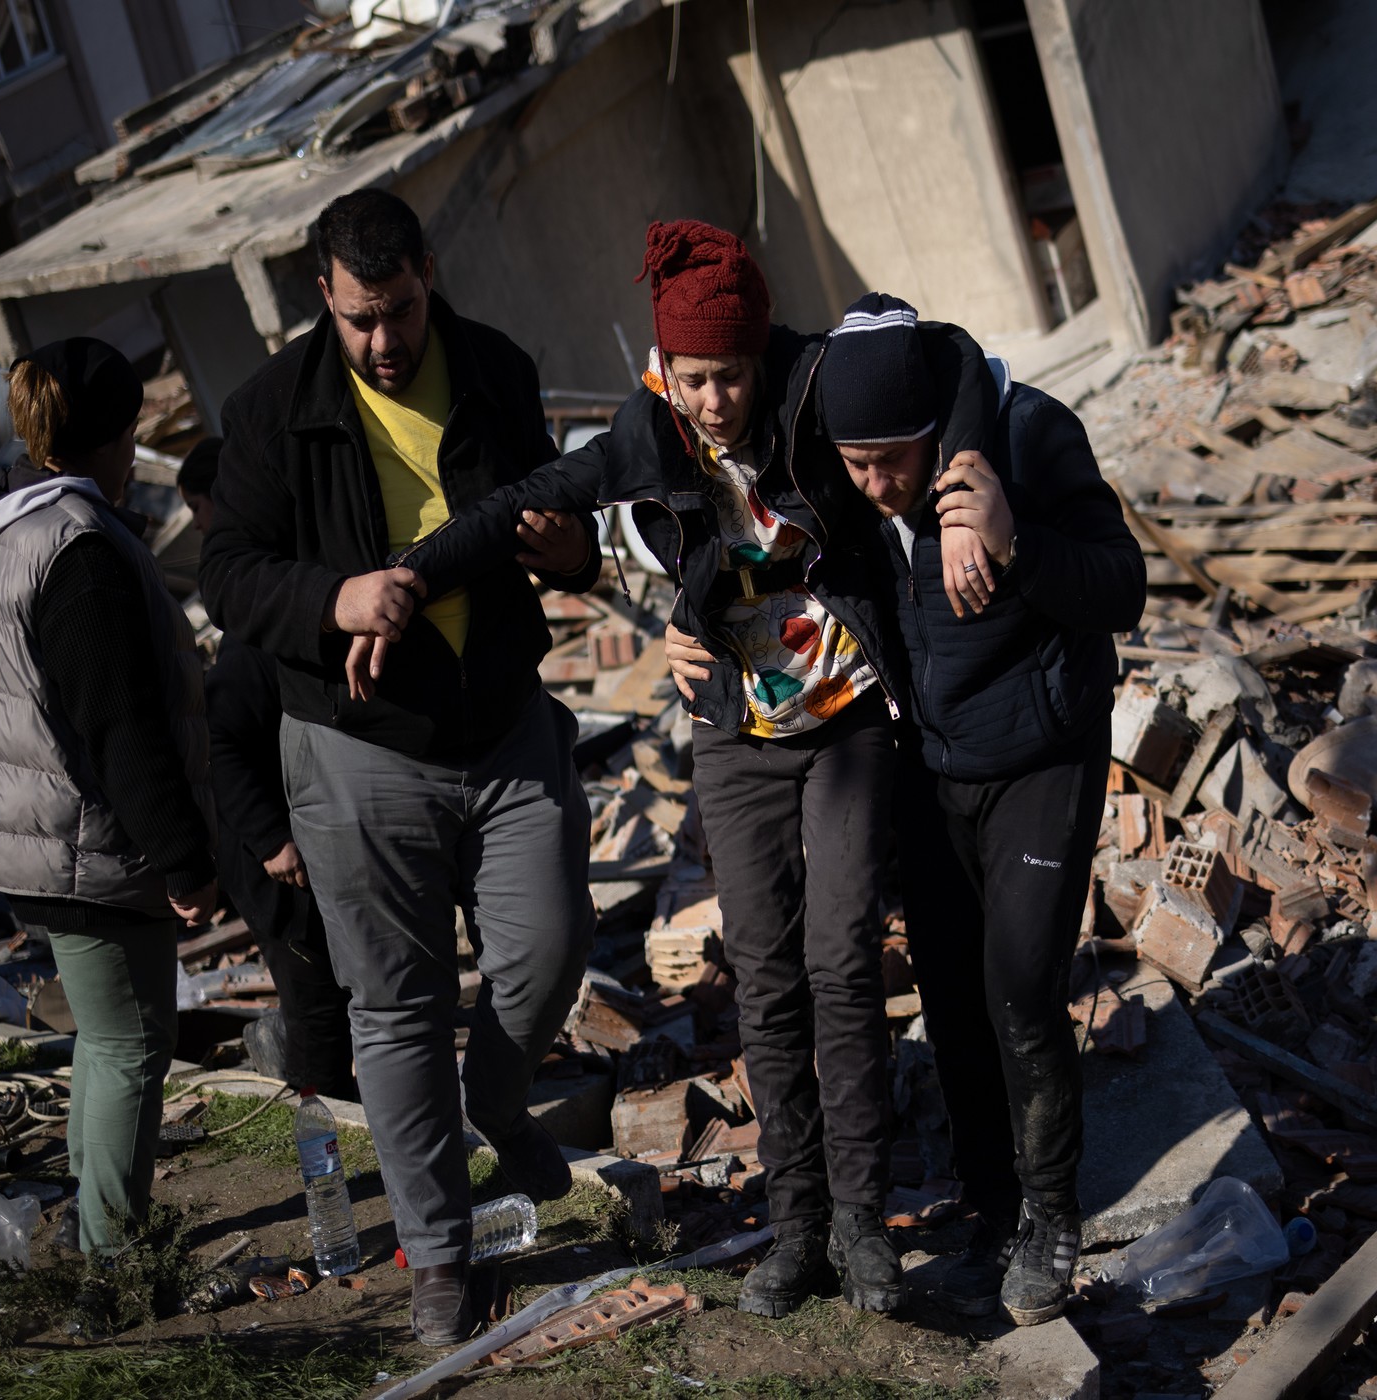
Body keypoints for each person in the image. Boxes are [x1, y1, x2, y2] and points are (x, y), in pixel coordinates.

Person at [363, 226, 997, 1320]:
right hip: (732, 729)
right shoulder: (646, 425)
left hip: (844, 713)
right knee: (763, 969)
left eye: (730, 375)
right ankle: (796, 1228)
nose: (714, 401)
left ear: (762, 355)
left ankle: (862, 1222)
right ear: (665, 370)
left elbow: (954, 356)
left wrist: (974, 479)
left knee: (841, 957)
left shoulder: (812, 380)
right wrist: (410, 578)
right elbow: (514, 500)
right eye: (693, 378)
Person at [197, 188, 601, 1346]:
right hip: (355, 750)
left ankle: (497, 1094)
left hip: (506, 726)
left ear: (429, 272)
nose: (386, 340)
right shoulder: (270, 410)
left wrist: (568, 554)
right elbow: (228, 573)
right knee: (395, 1013)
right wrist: (333, 597)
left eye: (404, 309)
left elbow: (553, 520)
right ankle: (439, 1252)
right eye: (363, 317)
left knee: (546, 944)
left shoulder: (494, 366)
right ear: (322, 294)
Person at [777, 299, 1144, 1326]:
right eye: (851, 462)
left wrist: (1012, 538)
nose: (871, 483)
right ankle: (993, 1204)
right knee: (949, 994)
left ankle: (1052, 1213)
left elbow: (1122, 586)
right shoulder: (847, 482)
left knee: (1020, 984)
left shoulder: (1027, 437)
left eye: (886, 460)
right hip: (931, 768)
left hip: (1043, 753)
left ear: (931, 429)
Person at [0, 337, 217, 1258]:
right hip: (79, 843)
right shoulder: (81, 549)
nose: (136, 451)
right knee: (133, 1044)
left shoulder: (6, 525)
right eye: (133, 432)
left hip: (25, 833)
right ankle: (112, 1263)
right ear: (110, 439)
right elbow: (119, 726)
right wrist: (182, 859)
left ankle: (94, 1230)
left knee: (107, 1039)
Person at [177, 438, 355, 1099]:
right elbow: (219, 741)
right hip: (270, 853)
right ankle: (326, 1116)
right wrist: (273, 841)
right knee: (312, 989)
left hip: (301, 836)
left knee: (335, 985)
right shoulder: (260, 631)